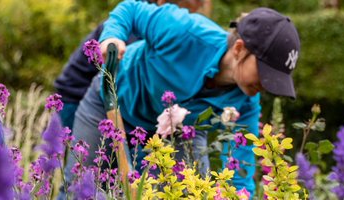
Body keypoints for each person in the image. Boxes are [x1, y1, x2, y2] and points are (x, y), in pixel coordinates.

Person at [65, 0, 300, 195]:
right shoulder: (185, 31)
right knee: (81, 186)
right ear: (239, 49)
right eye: (265, 72)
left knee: (189, 192)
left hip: (177, 132)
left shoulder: (246, 102)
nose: (267, 85)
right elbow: (131, 9)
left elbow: (240, 172)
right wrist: (113, 37)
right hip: (111, 103)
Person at [53, 0, 208, 130]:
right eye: (190, 6)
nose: (193, 13)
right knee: (66, 158)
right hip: (77, 97)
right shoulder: (137, 26)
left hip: (108, 100)